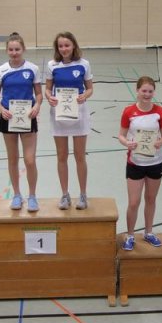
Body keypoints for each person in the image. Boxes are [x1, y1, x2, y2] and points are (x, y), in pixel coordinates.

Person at [0, 33, 42, 212]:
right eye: (11, 50)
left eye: (17, 49)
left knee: (30, 160)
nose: (14, 53)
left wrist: (37, 106)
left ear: (23, 49)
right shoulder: (1, 70)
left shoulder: (33, 69)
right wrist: (1, 109)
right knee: (12, 159)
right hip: (8, 118)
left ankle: (32, 196)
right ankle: (17, 195)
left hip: (28, 117)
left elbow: (39, 94)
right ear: (7, 50)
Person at [118, 76, 162, 250]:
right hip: (135, 163)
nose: (147, 94)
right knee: (133, 202)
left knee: (151, 199)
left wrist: (159, 142)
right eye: (144, 91)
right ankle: (130, 235)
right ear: (137, 91)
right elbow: (121, 135)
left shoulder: (160, 112)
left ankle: (149, 232)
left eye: (150, 91)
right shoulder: (128, 111)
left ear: (153, 92)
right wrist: (127, 143)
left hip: (155, 162)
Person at [45, 31, 93, 210]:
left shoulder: (84, 64)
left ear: (73, 45)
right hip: (59, 115)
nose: (64, 49)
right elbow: (48, 89)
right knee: (62, 156)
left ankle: (83, 194)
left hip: (79, 114)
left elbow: (90, 88)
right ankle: (65, 195)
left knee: (80, 156)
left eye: (67, 45)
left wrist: (84, 95)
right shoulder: (52, 65)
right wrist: (49, 97)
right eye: (60, 46)